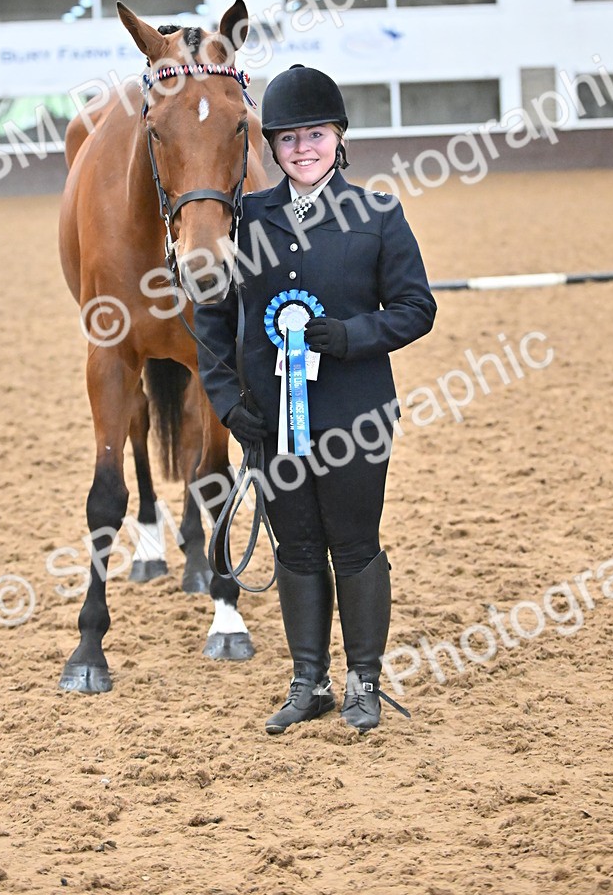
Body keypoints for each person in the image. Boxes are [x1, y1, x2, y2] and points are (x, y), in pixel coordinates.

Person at [193, 64, 437, 734]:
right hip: (270, 420)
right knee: (296, 547)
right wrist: (226, 400)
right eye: (289, 138)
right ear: (272, 146)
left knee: (354, 544)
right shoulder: (243, 221)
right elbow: (208, 317)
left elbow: (417, 309)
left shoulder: (378, 214)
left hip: (355, 414)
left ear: (338, 138)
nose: (303, 149)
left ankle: (363, 682)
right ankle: (310, 683)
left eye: (315, 135)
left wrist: (349, 335)